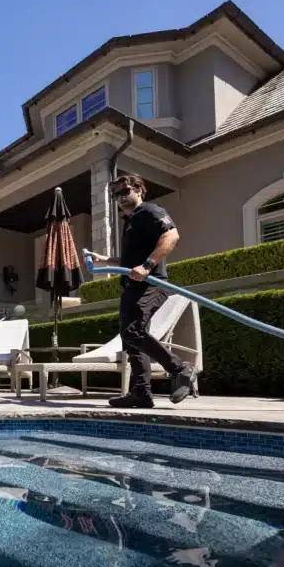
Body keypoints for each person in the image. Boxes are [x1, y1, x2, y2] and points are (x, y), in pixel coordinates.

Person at [88, 173, 197, 408]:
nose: (120, 197)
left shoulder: (150, 211)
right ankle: (141, 393)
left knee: (132, 331)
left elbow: (172, 235)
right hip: (132, 286)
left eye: (124, 191)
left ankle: (180, 368)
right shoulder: (130, 221)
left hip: (151, 283)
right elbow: (129, 261)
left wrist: (148, 266)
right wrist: (105, 260)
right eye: (116, 194)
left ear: (139, 190)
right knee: (131, 341)